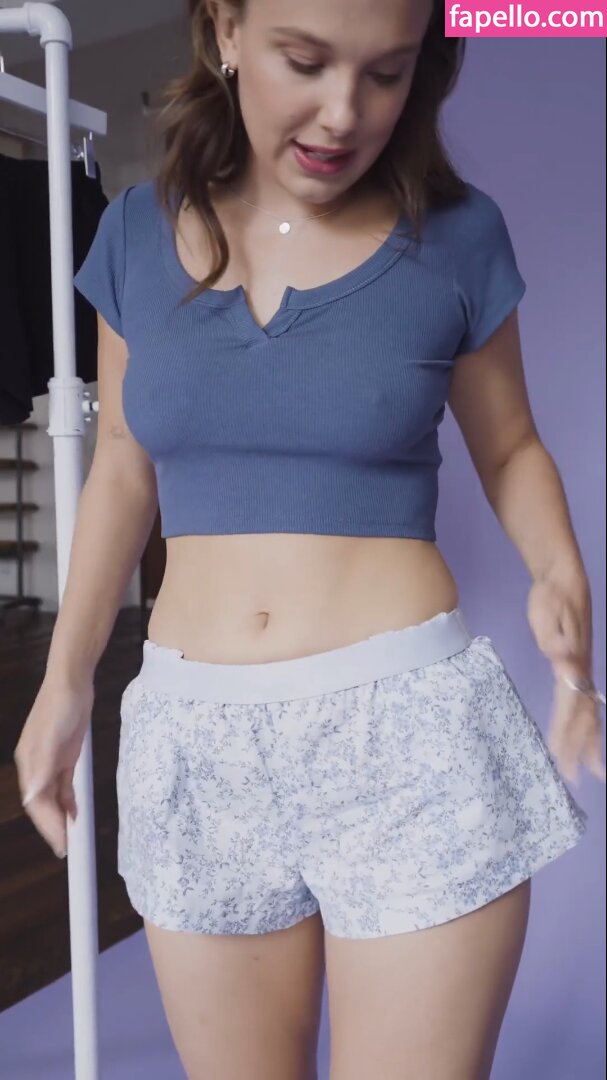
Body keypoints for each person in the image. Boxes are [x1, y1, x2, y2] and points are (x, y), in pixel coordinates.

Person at [14, 1, 604, 1078]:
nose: (345, 113)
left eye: (386, 73)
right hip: (194, 746)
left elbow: (511, 446)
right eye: (305, 61)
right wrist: (65, 683)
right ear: (226, 31)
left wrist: (561, 579)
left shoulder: (456, 234)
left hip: (409, 741)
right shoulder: (134, 233)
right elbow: (124, 468)